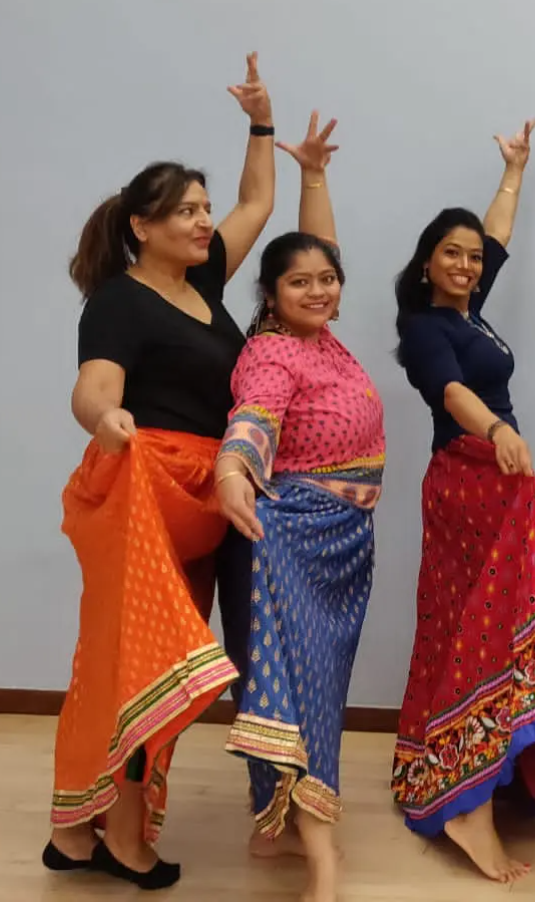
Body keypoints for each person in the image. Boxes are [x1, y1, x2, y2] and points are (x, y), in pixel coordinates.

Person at [44, 53, 275, 890]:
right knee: (140, 659)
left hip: (205, 495)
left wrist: (261, 122)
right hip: (145, 490)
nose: (206, 222)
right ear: (142, 226)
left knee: (152, 661)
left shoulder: (205, 284)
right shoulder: (118, 300)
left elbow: (259, 202)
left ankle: (79, 833)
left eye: (204, 210)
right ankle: (118, 836)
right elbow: (93, 390)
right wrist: (106, 420)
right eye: (186, 211)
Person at [390, 117, 535, 885]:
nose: (468, 265)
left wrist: (514, 170)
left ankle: (487, 771)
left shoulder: (470, 310)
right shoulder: (423, 329)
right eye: (452, 253)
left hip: (498, 481)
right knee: (478, 628)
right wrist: (498, 433)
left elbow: (496, 237)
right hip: (471, 477)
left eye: (475, 258)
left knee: (491, 624)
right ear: (426, 263)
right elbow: (449, 390)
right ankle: (468, 811)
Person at [214, 112, 375, 902]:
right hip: (290, 541)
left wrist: (313, 176)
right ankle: (322, 859)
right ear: (271, 298)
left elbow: (324, 249)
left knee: (307, 684)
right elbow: (255, 415)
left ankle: (268, 817)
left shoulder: (325, 338)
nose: (319, 289)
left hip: (344, 547)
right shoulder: (274, 351)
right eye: (300, 283)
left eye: (327, 279)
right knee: (296, 689)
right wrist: (235, 469)